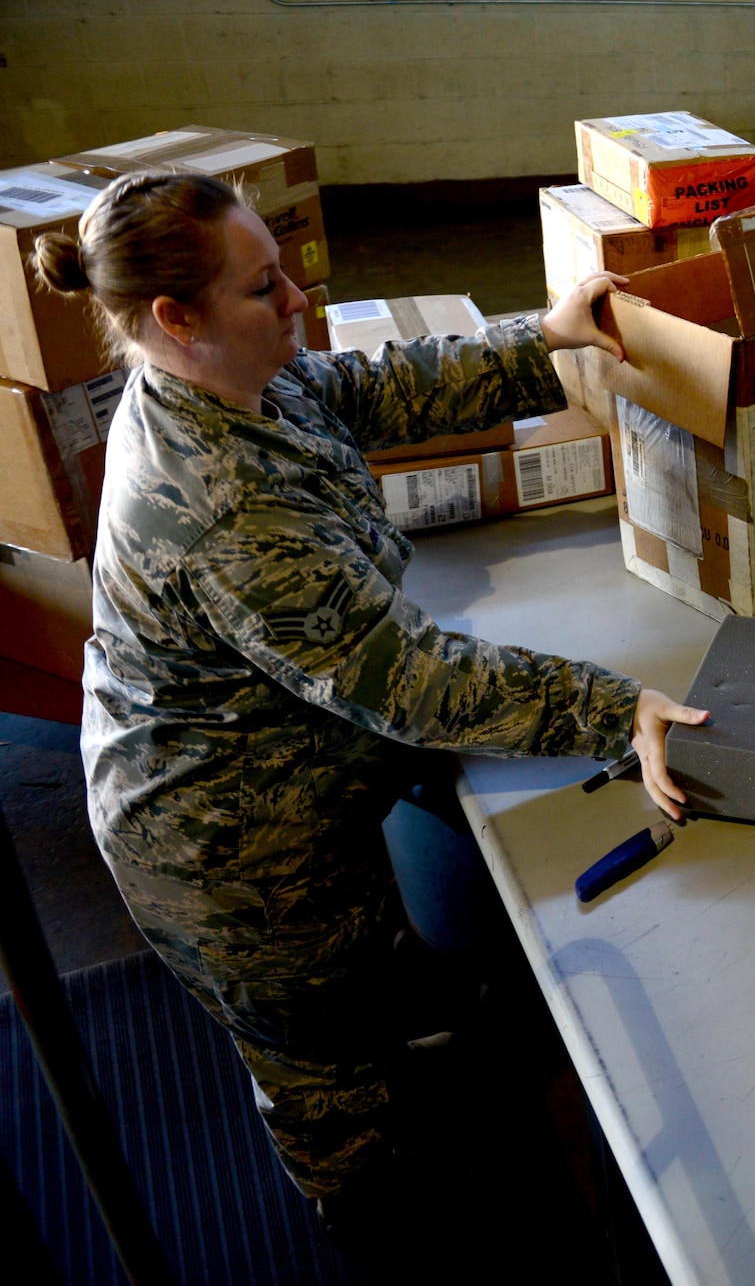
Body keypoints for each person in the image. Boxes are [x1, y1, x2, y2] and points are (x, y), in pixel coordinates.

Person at [34, 172, 706, 1229]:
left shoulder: (231, 382)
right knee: (329, 1079)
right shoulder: (223, 509)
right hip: (234, 857)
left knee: (368, 1009)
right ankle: (379, 1223)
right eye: (264, 288)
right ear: (177, 317)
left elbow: (373, 390)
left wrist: (547, 336)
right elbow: (409, 681)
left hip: (281, 780)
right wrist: (611, 707)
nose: (297, 298)